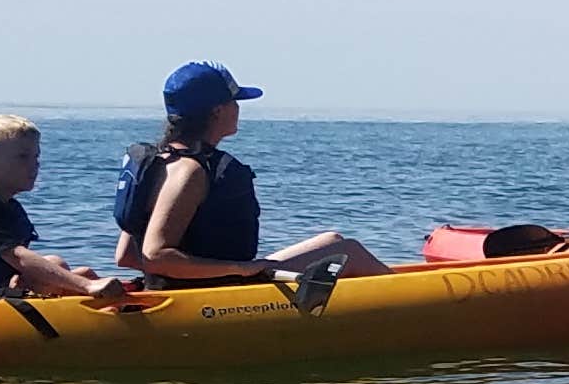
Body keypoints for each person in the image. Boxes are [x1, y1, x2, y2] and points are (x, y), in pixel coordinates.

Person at [115, 64, 392, 292]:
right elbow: (156, 255)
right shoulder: (191, 172)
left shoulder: (158, 163)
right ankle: (419, 311)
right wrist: (239, 269)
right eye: (235, 101)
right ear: (217, 111)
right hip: (216, 293)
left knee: (333, 241)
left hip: (202, 284)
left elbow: (126, 257)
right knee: (351, 252)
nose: (239, 108)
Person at [0, 116, 140, 304]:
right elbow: (18, 257)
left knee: (65, 267)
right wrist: (87, 286)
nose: (35, 164)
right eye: (23, 157)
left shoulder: (7, 206)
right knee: (80, 278)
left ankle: (125, 305)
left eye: (36, 156)